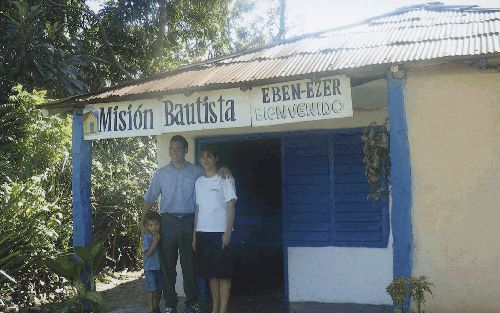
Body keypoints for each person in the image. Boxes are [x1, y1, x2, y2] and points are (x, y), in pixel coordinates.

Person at [143, 135, 230, 313]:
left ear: (186, 151)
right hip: (167, 222)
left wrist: (225, 169)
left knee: (189, 265)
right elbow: (149, 199)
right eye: (171, 148)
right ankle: (170, 303)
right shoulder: (160, 174)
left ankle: (192, 303)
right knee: (168, 266)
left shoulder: (197, 172)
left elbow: (213, 175)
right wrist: (141, 223)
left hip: (189, 222)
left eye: (178, 148)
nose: (174, 152)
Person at [192, 145, 237, 313]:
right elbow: (198, 209)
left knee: (223, 273)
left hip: (221, 232)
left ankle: (223, 309)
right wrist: (194, 234)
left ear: (216, 158)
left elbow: (231, 205)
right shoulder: (199, 182)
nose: (205, 160)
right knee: (212, 273)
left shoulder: (225, 178)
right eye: (202, 156)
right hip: (203, 232)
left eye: (209, 156)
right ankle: (215, 307)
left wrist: (227, 231)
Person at [142, 210, 163, 313]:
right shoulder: (147, 238)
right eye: (150, 225)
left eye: (156, 224)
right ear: (146, 226)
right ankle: (150, 309)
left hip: (160, 268)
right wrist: (155, 242)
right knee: (151, 289)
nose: (154, 227)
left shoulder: (160, 236)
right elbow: (148, 254)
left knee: (159, 289)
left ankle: (156, 306)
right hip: (150, 268)